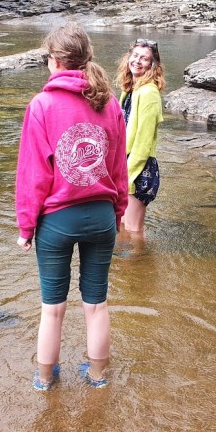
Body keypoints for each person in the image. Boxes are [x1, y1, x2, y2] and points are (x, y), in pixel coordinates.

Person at [15, 23, 128, 391]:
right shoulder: (110, 103)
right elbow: (118, 167)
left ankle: (45, 380)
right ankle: (97, 377)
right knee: (96, 305)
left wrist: (26, 227)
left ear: (56, 60)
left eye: (48, 57)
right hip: (100, 216)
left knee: (54, 308)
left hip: (58, 220)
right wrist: (119, 212)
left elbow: (33, 175)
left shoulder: (42, 105)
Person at [115, 38, 165, 234]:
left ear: (152, 65)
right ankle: (128, 264)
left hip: (139, 169)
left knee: (133, 229)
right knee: (122, 226)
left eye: (144, 59)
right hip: (126, 163)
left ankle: (140, 263)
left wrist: (126, 176)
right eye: (135, 56)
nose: (137, 61)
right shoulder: (130, 89)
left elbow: (143, 145)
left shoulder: (148, 93)